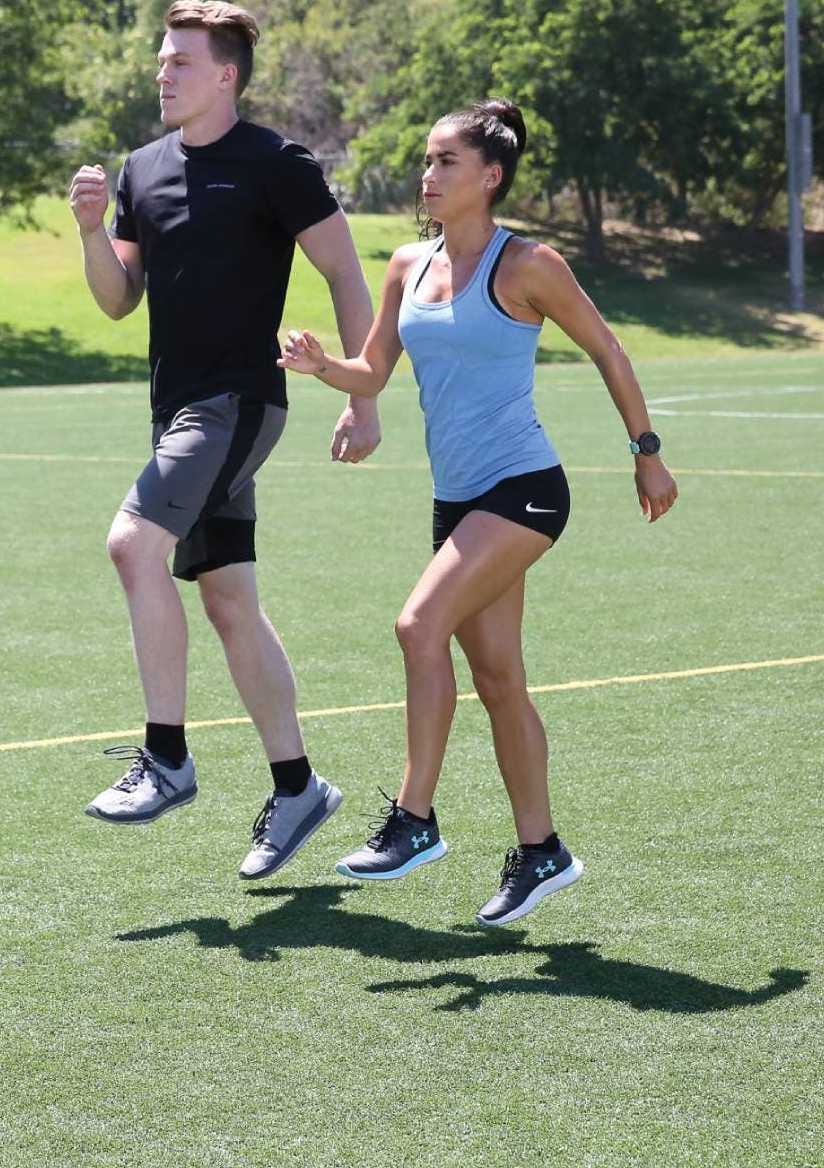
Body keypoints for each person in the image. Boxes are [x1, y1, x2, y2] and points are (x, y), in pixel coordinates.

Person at [278, 98, 678, 926]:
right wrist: (326, 370)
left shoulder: (528, 264)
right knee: (499, 681)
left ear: (490, 177)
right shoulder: (404, 266)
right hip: (457, 500)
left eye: (446, 162)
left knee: (417, 627)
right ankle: (542, 851)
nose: (428, 175)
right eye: (426, 161)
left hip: (525, 487)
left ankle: (415, 820)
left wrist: (647, 451)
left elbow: (607, 347)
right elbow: (374, 371)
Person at [71, 0, 379, 879]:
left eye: (178, 62)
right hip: (177, 412)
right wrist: (93, 231)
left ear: (225, 76)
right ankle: (298, 788)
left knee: (133, 543)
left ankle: (165, 757)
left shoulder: (276, 164)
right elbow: (115, 297)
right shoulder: (142, 167)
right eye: (161, 60)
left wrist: (361, 394)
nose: (161, 73)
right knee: (229, 602)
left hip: (239, 403)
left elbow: (344, 269)